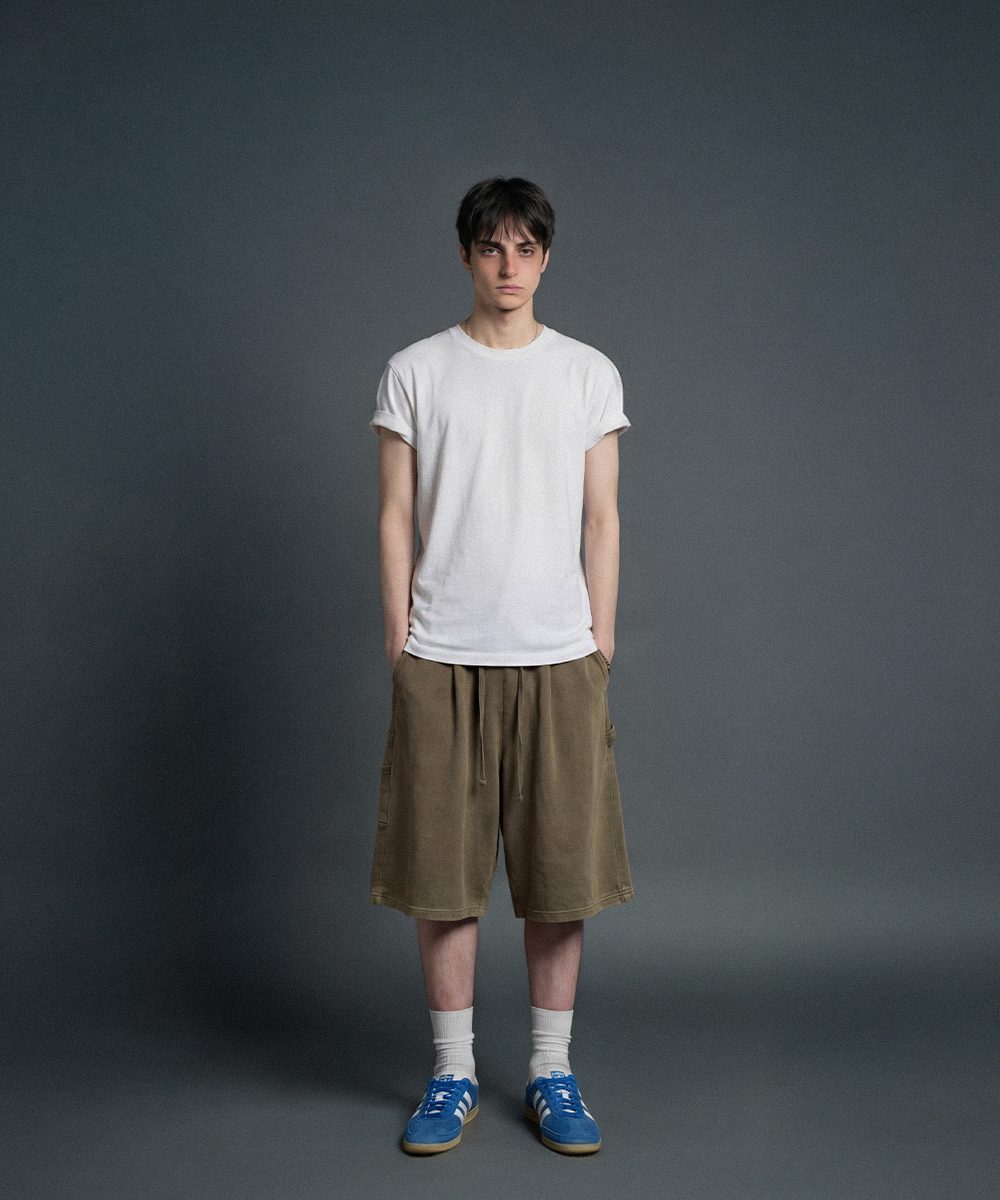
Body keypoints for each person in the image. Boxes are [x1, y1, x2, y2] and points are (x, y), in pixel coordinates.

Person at [370, 176, 633, 1156]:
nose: (509, 266)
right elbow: (396, 511)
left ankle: (552, 1071)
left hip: (558, 656)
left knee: (560, 877)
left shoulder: (586, 373)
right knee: (442, 878)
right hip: (441, 655)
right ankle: (453, 1073)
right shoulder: (415, 371)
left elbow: (602, 516)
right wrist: (397, 637)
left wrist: (601, 638)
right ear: (466, 255)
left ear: (547, 258)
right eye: (492, 248)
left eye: (526, 248)